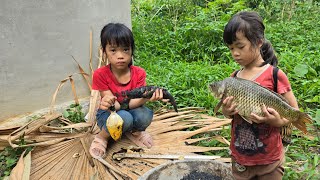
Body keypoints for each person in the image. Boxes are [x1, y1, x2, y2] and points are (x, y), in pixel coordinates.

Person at [221, 11, 298, 179]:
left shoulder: (275, 75)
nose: (235, 53)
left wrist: (277, 121)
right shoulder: (234, 78)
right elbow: (229, 115)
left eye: (240, 47)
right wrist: (227, 111)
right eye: (231, 48)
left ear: (259, 42)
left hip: (270, 161)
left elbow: (293, 110)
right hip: (240, 158)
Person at [89, 23, 166, 159]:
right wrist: (108, 102)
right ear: (104, 51)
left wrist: (147, 97)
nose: (120, 56)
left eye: (125, 49)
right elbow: (116, 106)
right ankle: (102, 138)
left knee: (145, 114)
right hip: (108, 113)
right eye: (113, 50)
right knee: (124, 117)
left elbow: (134, 103)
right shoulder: (100, 74)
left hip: (129, 109)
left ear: (132, 50)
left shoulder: (139, 73)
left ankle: (135, 132)